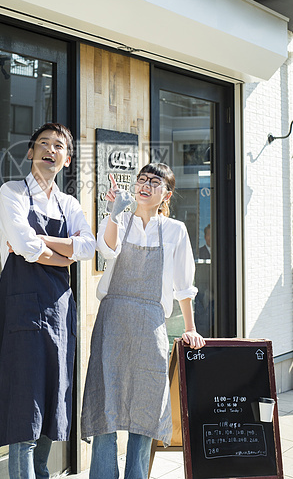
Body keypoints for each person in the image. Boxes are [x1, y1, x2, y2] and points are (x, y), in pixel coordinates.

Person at [81, 163, 205, 479]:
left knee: (146, 407)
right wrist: (111, 212)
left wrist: (190, 328)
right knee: (105, 403)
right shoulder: (121, 219)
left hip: (151, 326)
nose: (145, 185)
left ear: (167, 193)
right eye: (141, 180)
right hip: (113, 322)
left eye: (154, 181)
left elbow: (183, 285)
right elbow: (107, 250)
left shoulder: (176, 230)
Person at [0, 122, 95, 479]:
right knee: (25, 400)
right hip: (21, 307)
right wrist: (63, 253)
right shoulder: (12, 193)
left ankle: (43, 474)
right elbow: (22, 244)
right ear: (31, 152)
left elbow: (88, 246)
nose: (51, 150)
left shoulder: (69, 203)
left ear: (67, 159)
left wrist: (44, 245)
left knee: (54, 395)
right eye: (44, 144)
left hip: (59, 308)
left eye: (58, 146)